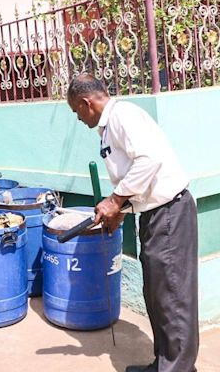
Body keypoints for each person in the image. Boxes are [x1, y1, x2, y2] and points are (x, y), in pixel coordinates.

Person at [66, 73, 198, 372]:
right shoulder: (110, 125)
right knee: (157, 295)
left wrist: (114, 200)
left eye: (76, 111)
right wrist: (120, 210)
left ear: (87, 103)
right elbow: (135, 174)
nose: (78, 118)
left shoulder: (123, 115)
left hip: (170, 213)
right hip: (153, 214)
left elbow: (149, 160)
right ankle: (164, 363)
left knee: (173, 298)